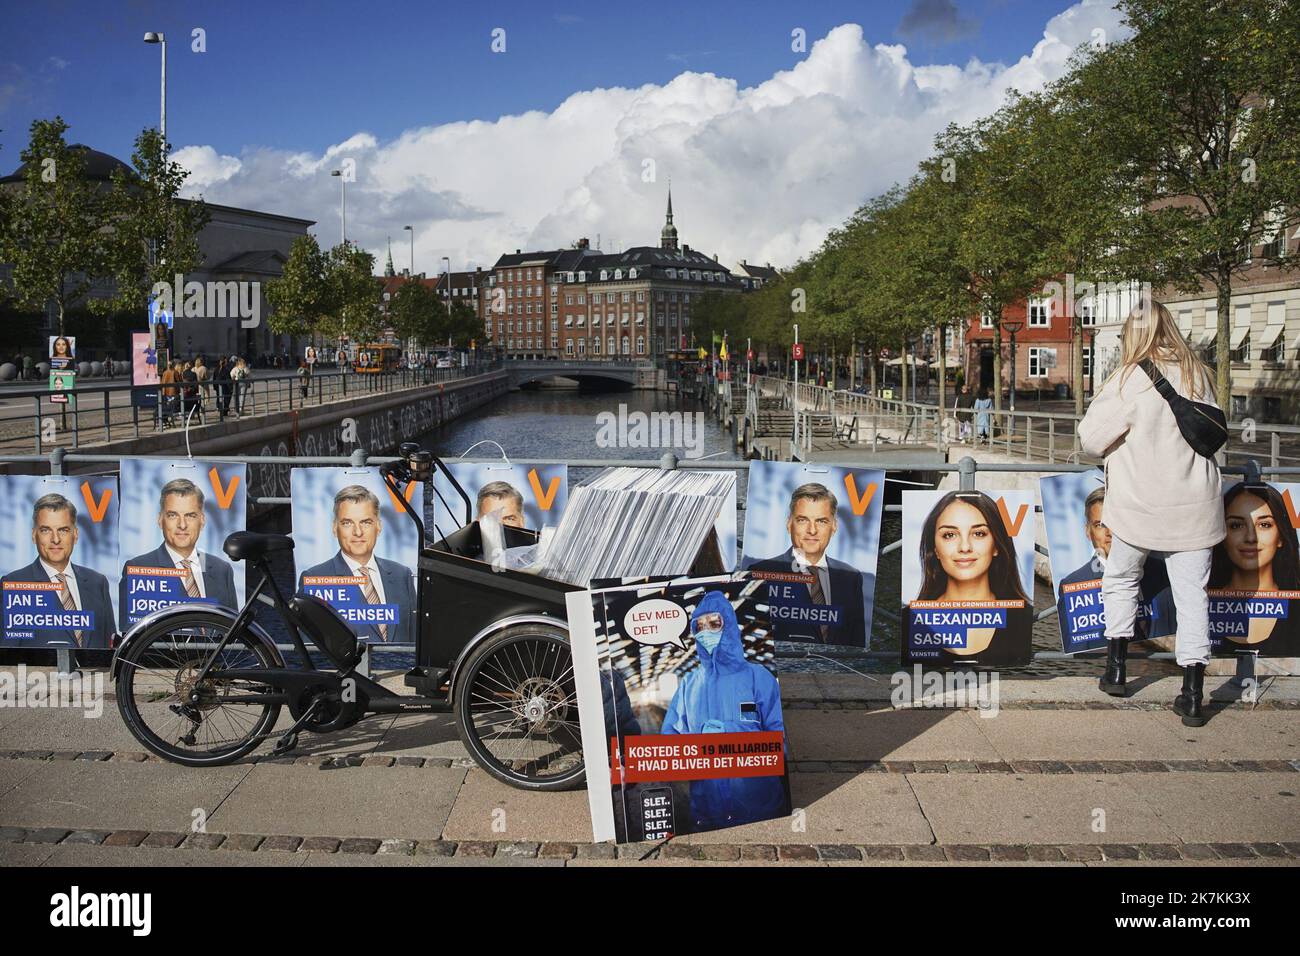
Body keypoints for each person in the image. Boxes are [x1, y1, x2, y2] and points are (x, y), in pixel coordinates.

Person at [1080, 299, 1224, 726]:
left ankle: (1117, 671)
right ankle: (1193, 694)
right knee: (1193, 596)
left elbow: (1091, 438)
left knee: (1122, 579)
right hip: (1195, 509)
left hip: (1139, 508)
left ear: (1133, 334)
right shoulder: (1200, 375)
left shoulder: (1129, 378)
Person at [661, 591, 786, 832]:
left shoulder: (758, 678)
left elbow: (782, 742)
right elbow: (670, 741)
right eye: (700, 626)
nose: (706, 631)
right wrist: (697, 744)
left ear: (728, 625)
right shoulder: (688, 685)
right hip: (707, 810)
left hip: (761, 807)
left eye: (714, 623)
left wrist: (731, 735)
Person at [743, 483, 867, 646]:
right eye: (803, 520)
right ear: (789, 524)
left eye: (821, 521)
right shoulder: (759, 573)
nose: (812, 530)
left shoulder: (851, 577)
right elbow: (752, 639)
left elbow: (857, 641)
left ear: (834, 526)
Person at [297, 485, 415, 643]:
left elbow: (416, 637)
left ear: (378, 527)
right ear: (334, 528)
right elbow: (311, 647)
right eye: (347, 523)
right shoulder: (317, 578)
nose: (358, 532)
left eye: (366, 522)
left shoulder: (402, 574)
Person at [118, 478, 239, 631]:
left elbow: (234, 634)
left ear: (202, 521)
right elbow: (129, 633)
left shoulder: (222, 570)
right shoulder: (138, 568)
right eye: (173, 515)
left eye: (190, 515)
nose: (182, 525)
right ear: (160, 520)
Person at [2, 493, 115, 648]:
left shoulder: (98, 582)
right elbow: (7, 656)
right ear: (34, 535)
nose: (55, 539)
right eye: (46, 530)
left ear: (75, 535)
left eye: (63, 530)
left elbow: (110, 648)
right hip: (39, 673)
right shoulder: (14, 585)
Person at [1207, 482, 1300, 656]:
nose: (1251, 537)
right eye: (1236, 525)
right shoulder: (1199, 603)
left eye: (1264, 525)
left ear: (1281, 536)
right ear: (1222, 534)